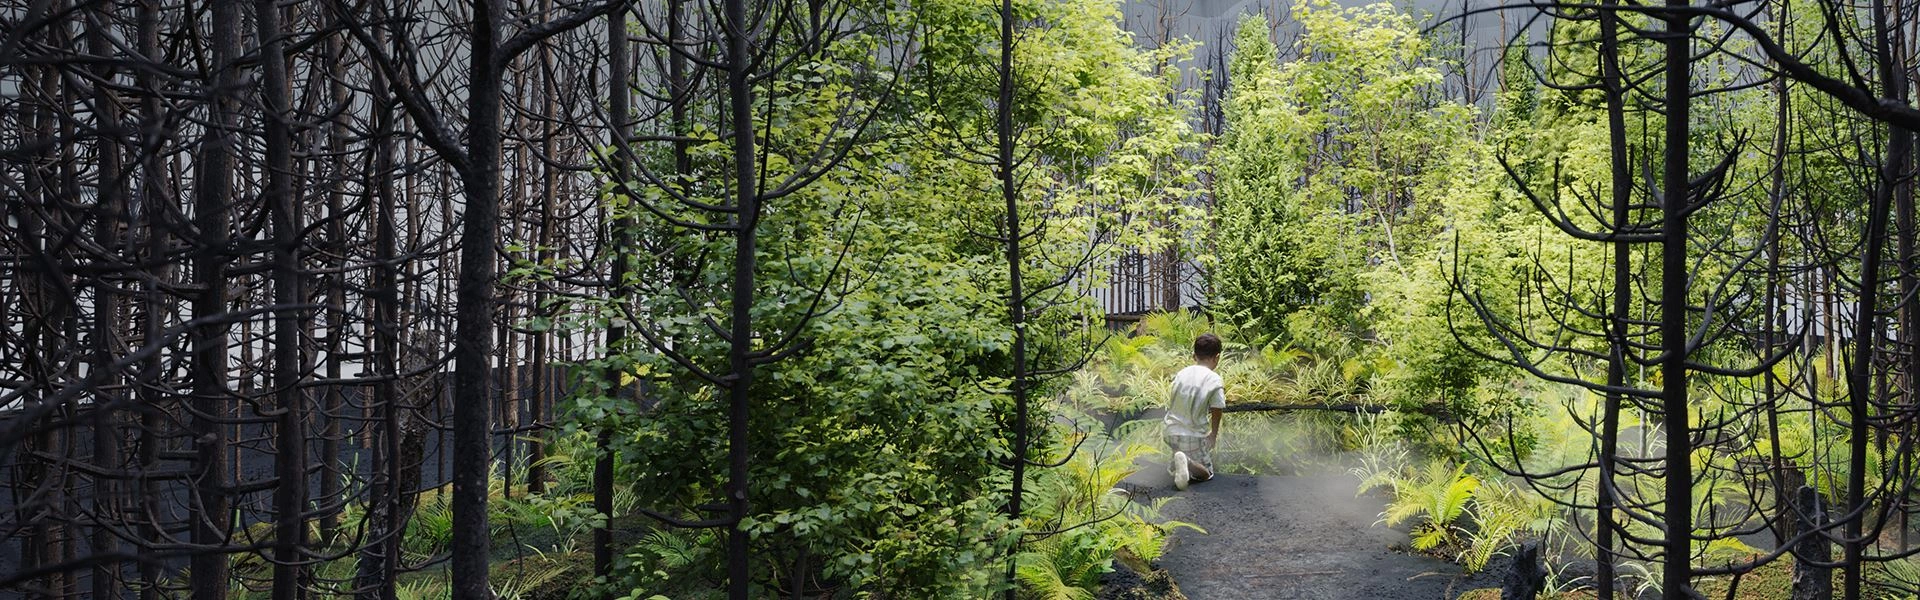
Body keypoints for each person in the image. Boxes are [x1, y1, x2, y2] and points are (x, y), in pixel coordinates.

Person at [1164, 332, 1225, 490]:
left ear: (1194, 356)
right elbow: (1217, 409)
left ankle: (1179, 460)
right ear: (1217, 357)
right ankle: (1187, 460)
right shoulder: (1213, 379)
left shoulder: (1181, 374)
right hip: (1193, 435)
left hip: (1170, 432)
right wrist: (1213, 435)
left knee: (1180, 462)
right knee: (1206, 474)